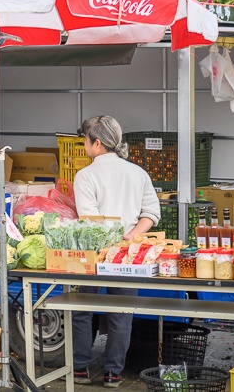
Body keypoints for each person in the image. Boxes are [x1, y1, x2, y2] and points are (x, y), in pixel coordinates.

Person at [70, 115, 161, 388]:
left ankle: (80, 370)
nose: (84, 145)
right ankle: (112, 374)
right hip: (128, 256)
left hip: (95, 256)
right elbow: (152, 213)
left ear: (97, 143)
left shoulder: (85, 176)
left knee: (83, 312)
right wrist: (132, 234)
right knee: (122, 314)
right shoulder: (138, 173)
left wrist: (111, 238)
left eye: (86, 140)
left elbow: (90, 219)